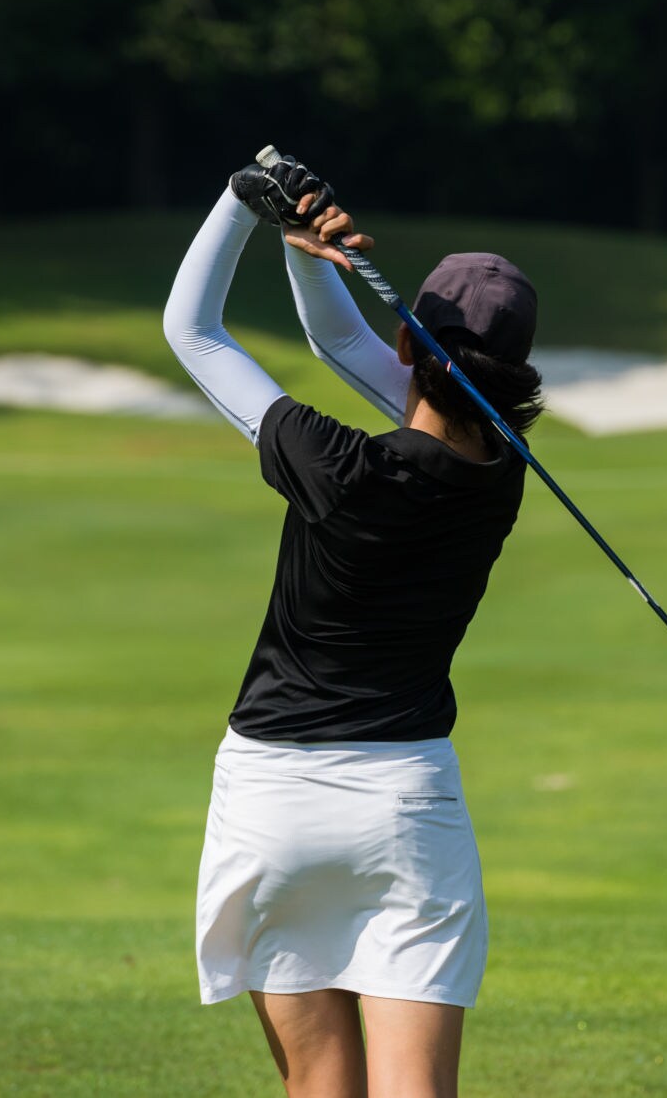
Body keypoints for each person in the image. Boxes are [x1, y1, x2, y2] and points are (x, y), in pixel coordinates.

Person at [162, 151, 543, 1098]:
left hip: (272, 798)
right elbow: (351, 351)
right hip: (405, 806)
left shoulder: (334, 464)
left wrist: (243, 204)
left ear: (412, 342)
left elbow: (195, 331)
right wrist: (306, 249)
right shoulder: (504, 469)